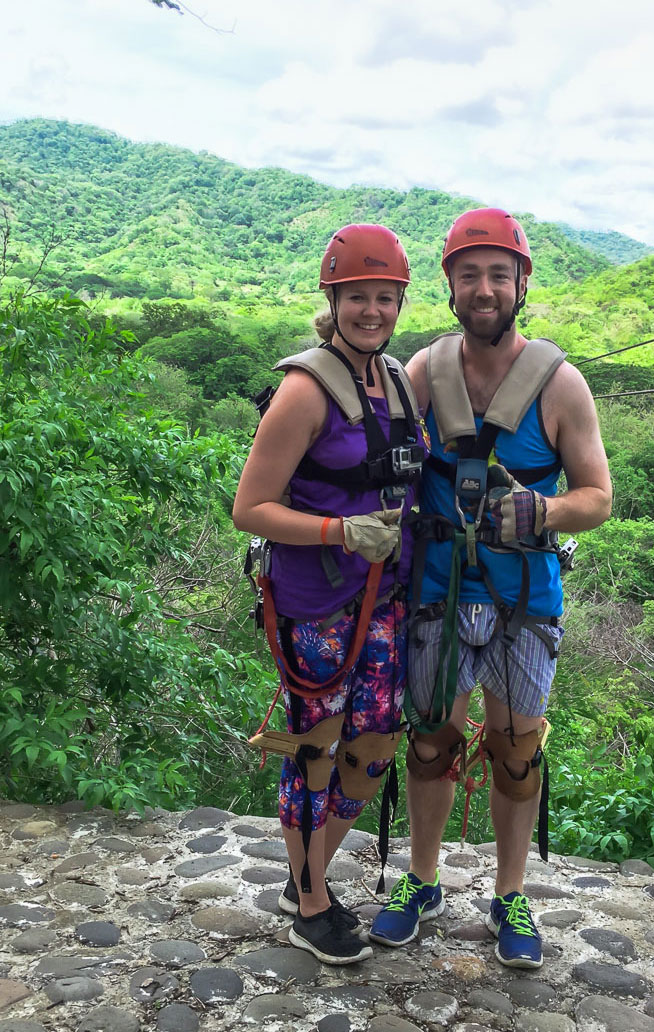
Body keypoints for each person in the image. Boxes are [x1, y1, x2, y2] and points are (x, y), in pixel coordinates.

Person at [369, 208, 612, 969]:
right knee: (433, 740)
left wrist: (543, 509)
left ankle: (510, 893)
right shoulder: (422, 373)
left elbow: (597, 496)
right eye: (468, 275)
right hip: (440, 587)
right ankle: (423, 877)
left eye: (497, 275)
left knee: (515, 750)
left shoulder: (559, 383)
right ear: (449, 287)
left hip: (523, 596)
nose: (483, 289)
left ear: (520, 284)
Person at [233, 224, 426, 965]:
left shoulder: (398, 381)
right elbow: (251, 508)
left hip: (385, 595)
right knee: (315, 746)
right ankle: (310, 896)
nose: (372, 310)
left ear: (400, 302)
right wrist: (338, 532)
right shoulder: (304, 389)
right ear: (334, 298)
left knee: (374, 743)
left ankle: (303, 872)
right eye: (358, 297)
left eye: (385, 297)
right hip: (315, 599)